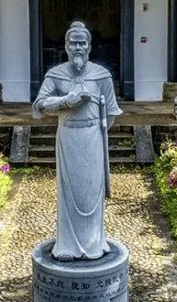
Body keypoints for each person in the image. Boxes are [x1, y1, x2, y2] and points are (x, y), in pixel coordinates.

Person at [32, 21, 123, 261]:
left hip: (93, 138)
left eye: (82, 43)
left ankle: (95, 243)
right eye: (73, 43)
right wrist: (65, 102)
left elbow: (111, 112)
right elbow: (40, 105)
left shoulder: (102, 76)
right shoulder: (56, 75)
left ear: (90, 46)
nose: (78, 47)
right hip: (68, 136)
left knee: (92, 190)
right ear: (66, 46)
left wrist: (95, 129)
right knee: (68, 192)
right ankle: (67, 245)